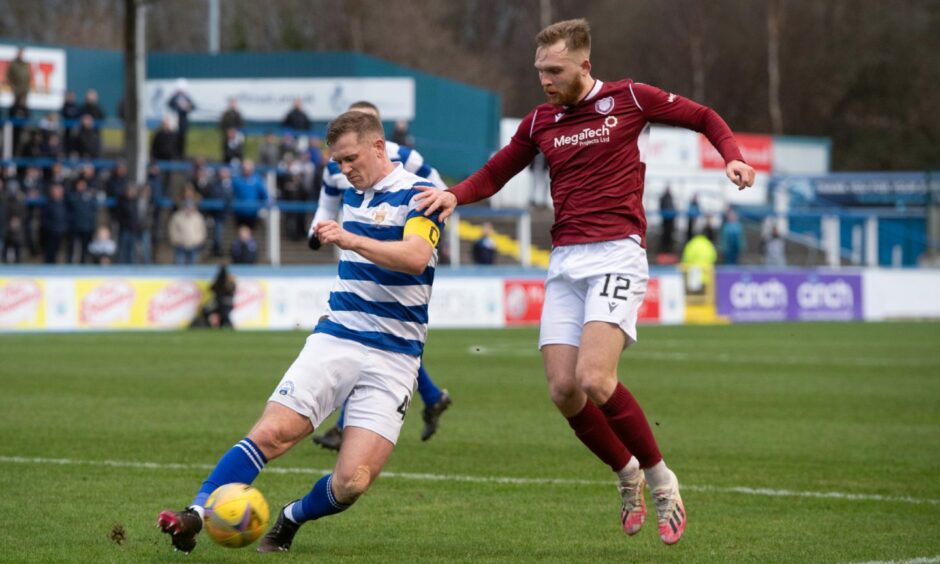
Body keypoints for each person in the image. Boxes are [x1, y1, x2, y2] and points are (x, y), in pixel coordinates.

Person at [415, 18, 755, 546]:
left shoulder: (630, 98)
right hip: (566, 261)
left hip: (618, 253)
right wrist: (456, 195)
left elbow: (703, 116)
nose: (545, 80)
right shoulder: (539, 121)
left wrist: (732, 155)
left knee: (596, 378)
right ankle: (627, 474)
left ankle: (662, 480)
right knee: (563, 390)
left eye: (555, 70)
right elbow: (497, 171)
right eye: (539, 71)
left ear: (584, 65)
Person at [158, 110, 447, 554]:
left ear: (378, 147)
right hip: (338, 336)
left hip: (397, 355)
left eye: (350, 159)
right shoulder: (352, 191)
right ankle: (196, 513)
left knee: (352, 482)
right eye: (337, 163)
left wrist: (351, 240)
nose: (344, 170)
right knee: (273, 432)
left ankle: (291, 518)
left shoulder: (420, 194)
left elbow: (413, 256)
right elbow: (325, 213)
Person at [308, 100, 452, 450]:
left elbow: (439, 192)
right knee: (371, 332)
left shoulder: (408, 158)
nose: (346, 163)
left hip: (396, 246)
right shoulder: (336, 166)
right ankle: (430, 397)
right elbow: (328, 203)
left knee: (384, 334)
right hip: (354, 251)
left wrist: (426, 233)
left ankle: (348, 426)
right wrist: (317, 230)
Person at [168, 189, 207, 265]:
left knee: (192, 269)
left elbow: (202, 231)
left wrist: (197, 241)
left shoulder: (198, 217)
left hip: (194, 246)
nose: (189, 208)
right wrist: (177, 241)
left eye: (190, 206)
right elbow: (172, 230)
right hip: (180, 246)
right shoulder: (177, 216)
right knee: (179, 267)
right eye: (187, 206)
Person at [167, 79, 195, 158]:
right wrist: (178, 107)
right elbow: (169, 104)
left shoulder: (187, 98)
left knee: (183, 138)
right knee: (174, 137)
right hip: (175, 120)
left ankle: (182, 154)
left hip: (183, 121)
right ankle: (174, 153)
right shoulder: (174, 98)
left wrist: (187, 107)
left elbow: (193, 107)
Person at [659, 186, 676, 255]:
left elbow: (672, 207)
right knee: (664, 236)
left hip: (670, 220)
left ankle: (669, 252)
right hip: (665, 220)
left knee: (670, 236)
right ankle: (663, 251)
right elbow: (661, 207)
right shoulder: (663, 198)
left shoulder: (671, 197)